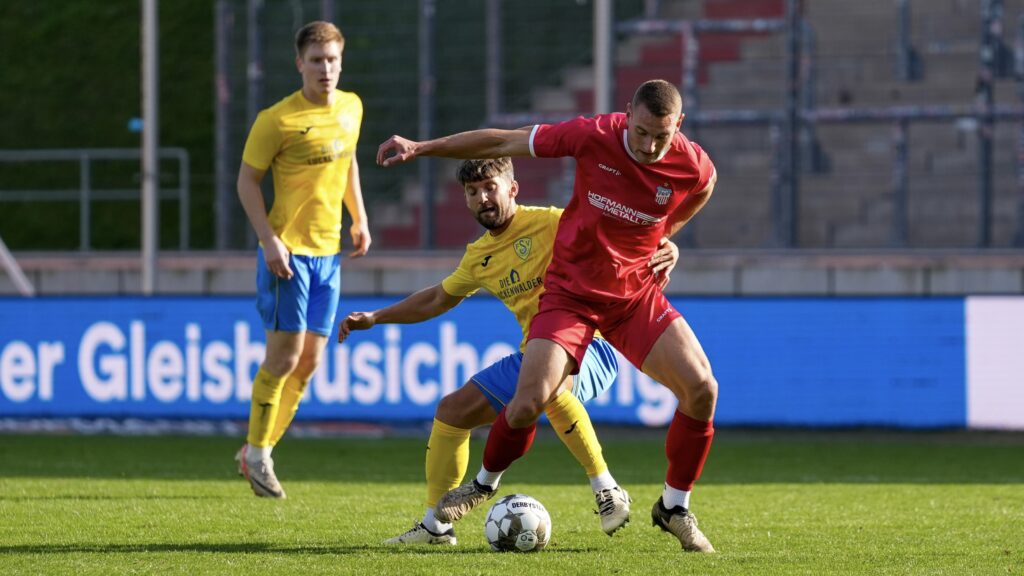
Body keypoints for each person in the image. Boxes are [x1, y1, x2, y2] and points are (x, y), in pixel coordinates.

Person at [376, 79, 719, 552]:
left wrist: (668, 235)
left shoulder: (690, 161)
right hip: (572, 296)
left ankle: (673, 507)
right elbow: (500, 141)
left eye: (661, 136)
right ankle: (482, 485)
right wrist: (421, 148)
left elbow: (705, 185)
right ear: (627, 116)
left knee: (702, 389)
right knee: (528, 401)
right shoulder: (592, 135)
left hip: (633, 295)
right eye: (640, 133)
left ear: (677, 126)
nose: (649, 146)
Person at [339, 157, 679, 545]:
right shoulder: (479, 257)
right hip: (533, 356)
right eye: (473, 192)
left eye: (490, 188)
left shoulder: (553, 222)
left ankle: (607, 489)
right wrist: (377, 317)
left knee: (550, 388)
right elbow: (436, 299)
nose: (483, 197)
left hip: (593, 344)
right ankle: (436, 526)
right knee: (452, 411)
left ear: (512, 189)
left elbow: (616, 233)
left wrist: (667, 244)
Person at [234, 20, 370, 499]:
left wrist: (359, 217)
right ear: (300, 64)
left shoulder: (352, 107)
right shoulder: (277, 119)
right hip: (287, 257)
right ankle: (259, 454)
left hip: (328, 255)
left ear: (341, 61)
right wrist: (269, 239)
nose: (325, 69)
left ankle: (257, 448)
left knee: (310, 363)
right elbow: (246, 182)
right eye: (316, 60)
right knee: (284, 357)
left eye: (332, 59)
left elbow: (348, 159)